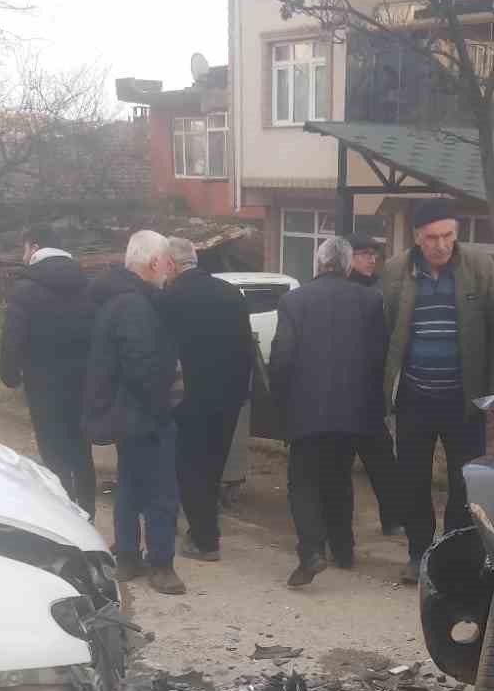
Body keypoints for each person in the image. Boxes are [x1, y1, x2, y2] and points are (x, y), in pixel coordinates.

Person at [381, 199, 494, 584]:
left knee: (464, 482)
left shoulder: (479, 266)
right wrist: (385, 392)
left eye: (449, 236)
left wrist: (492, 394)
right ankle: (419, 553)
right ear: (418, 238)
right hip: (415, 397)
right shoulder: (394, 271)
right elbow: (386, 332)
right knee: (413, 478)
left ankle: (453, 556)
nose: (442, 245)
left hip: (464, 398)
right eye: (433, 238)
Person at [270, 237, 387, 588]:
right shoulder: (370, 300)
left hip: (305, 409)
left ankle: (311, 552)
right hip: (353, 410)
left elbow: (282, 357)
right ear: (348, 265)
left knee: (303, 482)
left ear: (318, 263)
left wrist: (282, 401)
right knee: (338, 477)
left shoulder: (294, 300)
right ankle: (344, 548)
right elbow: (379, 355)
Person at [82, 230, 185, 595]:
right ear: (154, 262)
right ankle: (161, 564)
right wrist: (161, 409)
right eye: (167, 261)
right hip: (145, 414)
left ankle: (127, 555)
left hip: (125, 413)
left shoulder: (117, 298)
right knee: (160, 491)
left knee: (130, 485)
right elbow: (142, 367)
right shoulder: (135, 305)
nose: (169, 269)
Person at [159, 236, 253, 562]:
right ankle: (203, 529)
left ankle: (204, 539)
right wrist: (241, 393)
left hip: (188, 397)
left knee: (188, 467)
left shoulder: (170, 298)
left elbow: (165, 352)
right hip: (228, 398)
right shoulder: (230, 294)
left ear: (171, 264)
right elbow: (246, 349)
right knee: (213, 467)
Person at [0, 227, 97, 513]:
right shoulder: (88, 284)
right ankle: (88, 510)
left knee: (53, 450)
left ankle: (65, 512)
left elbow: (12, 338)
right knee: (81, 448)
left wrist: (10, 374)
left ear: (33, 247)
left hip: (42, 384)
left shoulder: (25, 289)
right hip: (82, 382)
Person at [345, 231, 403, 537]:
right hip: (350, 389)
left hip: (369, 390)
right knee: (346, 463)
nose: (371, 259)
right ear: (349, 257)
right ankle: (341, 529)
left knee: (381, 461)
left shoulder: (378, 288)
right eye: (364, 254)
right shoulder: (348, 290)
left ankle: (392, 518)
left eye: (373, 254)